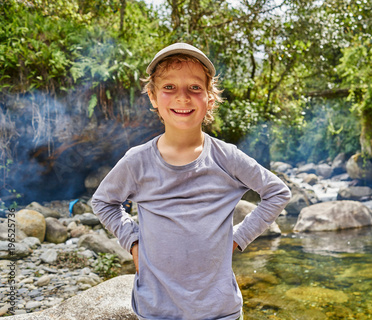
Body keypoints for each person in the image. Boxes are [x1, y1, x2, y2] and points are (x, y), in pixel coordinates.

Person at [91, 42, 291, 320]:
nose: (182, 97)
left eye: (195, 88)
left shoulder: (227, 157)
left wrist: (238, 238)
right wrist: (133, 241)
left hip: (220, 311)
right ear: (152, 96)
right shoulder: (136, 161)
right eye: (169, 87)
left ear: (210, 97)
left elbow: (277, 192)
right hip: (156, 310)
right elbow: (103, 202)